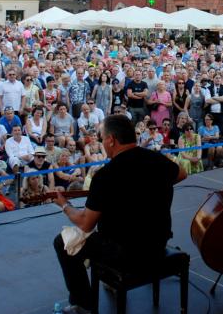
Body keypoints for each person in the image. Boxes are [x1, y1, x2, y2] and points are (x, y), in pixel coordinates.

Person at [52, 114, 186, 313]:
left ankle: (82, 304)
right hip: (157, 243)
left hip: (124, 253)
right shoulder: (157, 160)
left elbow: (86, 223)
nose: (102, 143)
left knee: (62, 242)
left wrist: (64, 205)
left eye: (102, 138)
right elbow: (182, 173)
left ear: (111, 140)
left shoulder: (105, 175)